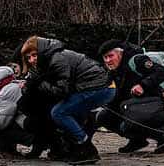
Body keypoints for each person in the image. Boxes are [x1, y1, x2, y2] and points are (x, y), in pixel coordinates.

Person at [20, 36, 115, 165]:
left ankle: (86, 147)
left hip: (99, 87)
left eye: (34, 55)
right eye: (28, 58)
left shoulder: (57, 59)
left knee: (59, 112)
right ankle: (75, 147)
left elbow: (61, 90)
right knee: (64, 111)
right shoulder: (50, 59)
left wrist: (40, 82)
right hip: (97, 85)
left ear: (41, 51)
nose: (32, 60)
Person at [95, 40, 164, 154]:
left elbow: (161, 72)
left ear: (120, 54)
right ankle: (137, 140)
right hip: (127, 106)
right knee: (103, 117)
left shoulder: (137, 60)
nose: (108, 61)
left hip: (147, 104)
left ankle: (163, 135)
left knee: (131, 121)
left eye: (110, 56)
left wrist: (143, 85)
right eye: (105, 58)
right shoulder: (113, 71)